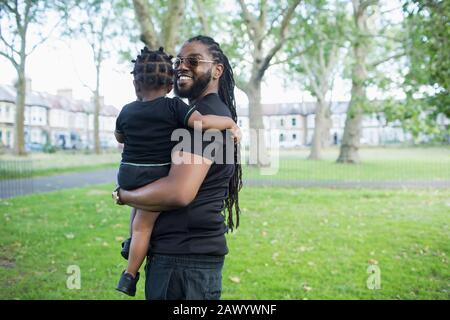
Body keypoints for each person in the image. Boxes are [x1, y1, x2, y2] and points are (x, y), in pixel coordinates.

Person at [112, 35, 242, 300]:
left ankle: (129, 268)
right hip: (182, 259)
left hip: (183, 264)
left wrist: (124, 196)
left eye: (193, 61)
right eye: (179, 61)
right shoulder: (192, 115)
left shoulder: (203, 118)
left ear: (217, 70)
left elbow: (178, 192)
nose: (182, 66)